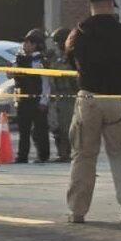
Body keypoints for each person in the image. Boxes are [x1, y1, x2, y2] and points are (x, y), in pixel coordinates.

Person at [65, 0, 121, 226]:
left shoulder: (77, 34)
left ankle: (78, 211)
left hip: (88, 98)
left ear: (91, 6)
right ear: (111, 4)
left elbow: (70, 61)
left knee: (83, 155)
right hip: (117, 99)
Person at [13, 29, 51, 164]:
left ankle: (43, 155)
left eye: (28, 42)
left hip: (37, 99)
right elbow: (12, 76)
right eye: (24, 42)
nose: (25, 45)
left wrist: (44, 101)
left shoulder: (40, 61)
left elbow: (46, 82)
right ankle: (22, 156)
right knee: (23, 130)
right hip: (23, 99)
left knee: (40, 130)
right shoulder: (19, 59)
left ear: (36, 45)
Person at [48, 27, 76, 163]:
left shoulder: (72, 56)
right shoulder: (55, 56)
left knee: (67, 126)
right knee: (56, 127)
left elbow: (68, 72)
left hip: (69, 95)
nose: (57, 45)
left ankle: (68, 153)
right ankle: (62, 153)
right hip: (56, 94)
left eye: (59, 41)